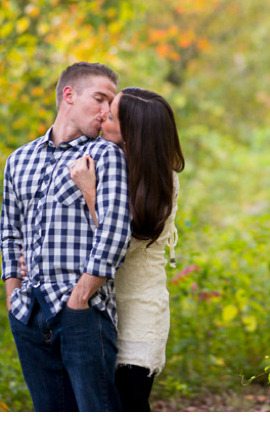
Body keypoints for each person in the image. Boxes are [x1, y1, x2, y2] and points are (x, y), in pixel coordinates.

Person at [0, 62, 131, 410]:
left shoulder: (106, 156)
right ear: (69, 96)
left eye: (111, 103)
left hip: (83, 314)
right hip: (29, 314)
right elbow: (9, 235)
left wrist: (79, 299)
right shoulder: (18, 160)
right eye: (100, 99)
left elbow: (116, 231)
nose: (106, 112)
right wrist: (14, 300)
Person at [68, 87, 184, 411]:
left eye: (113, 113)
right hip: (103, 309)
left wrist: (90, 194)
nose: (103, 114)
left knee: (130, 404)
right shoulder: (106, 162)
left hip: (140, 315)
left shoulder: (164, 182)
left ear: (133, 131)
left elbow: (121, 246)